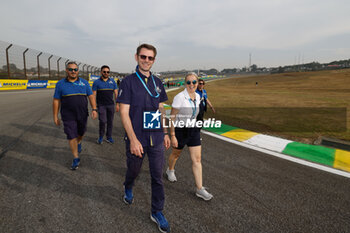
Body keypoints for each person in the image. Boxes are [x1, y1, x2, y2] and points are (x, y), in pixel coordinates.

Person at [117, 44, 171, 233]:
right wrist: (132, 139)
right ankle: (128, 185)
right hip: (137, 137)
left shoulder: (158, 82)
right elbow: (124, 113)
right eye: (143, 56)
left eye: (150, 58)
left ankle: (157, 211)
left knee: (157, 177)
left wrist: (164, 132)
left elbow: (161, 109)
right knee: (134, 171)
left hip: (156, 137)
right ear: (136, 57)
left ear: (154, 60)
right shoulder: (128, 81)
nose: (146, 60)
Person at [166, 73, 213, 201]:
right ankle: (170, 170)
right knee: (176, 154)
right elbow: (172, 117)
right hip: (180, 130)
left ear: (197, 83)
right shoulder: (179, 97)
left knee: (197, 159)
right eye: (188, 82)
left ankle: (199, 188)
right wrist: (173, 135)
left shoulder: (198, 96)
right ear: (185, 83)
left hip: (193, 130)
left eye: (194, 82)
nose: (191, 85)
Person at [53, 61, 98, 170]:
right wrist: (55, 116)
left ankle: (79, 142)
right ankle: (76, 158)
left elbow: (91, 96)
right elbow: (56, 100)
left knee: (81, 132)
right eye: (70, 69)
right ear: (66, 70)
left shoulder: (84, 83)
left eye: (75, 69)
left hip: (82, 114)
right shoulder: (60, 84)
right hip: (68, 115)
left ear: (78, 71)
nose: (73, 71)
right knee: (71, 135)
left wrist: (94, 109)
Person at [92, 65, 119, 144]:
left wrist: (117, 104)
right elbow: (93, 95)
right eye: (104, 72)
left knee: (110, 122)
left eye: (108, 72)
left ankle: (109, 137)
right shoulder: (96, 82)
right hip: (101, 106)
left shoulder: (113, 82)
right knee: (103, 121)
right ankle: (101, 136)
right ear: (101, 72)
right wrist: (94, 108)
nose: (106, 73)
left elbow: (116, 93)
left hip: (111, 105)